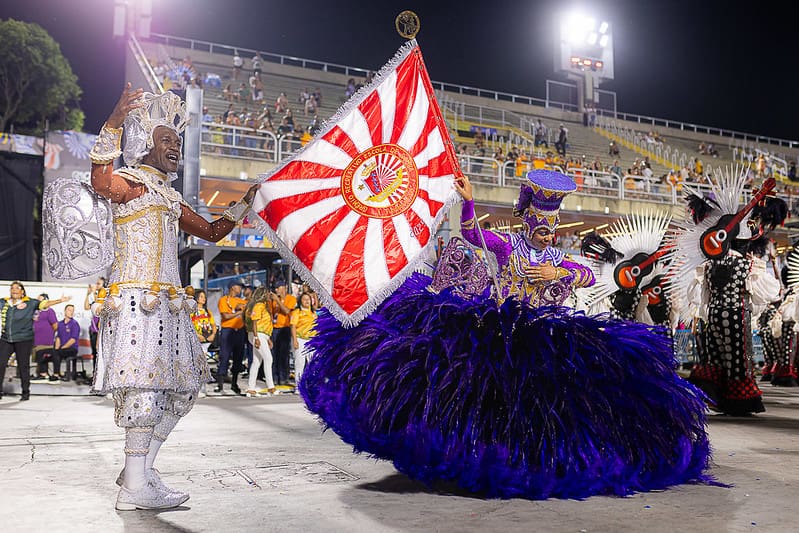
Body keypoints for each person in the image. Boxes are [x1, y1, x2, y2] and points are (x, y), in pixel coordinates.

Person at [299, 170, 711, 500]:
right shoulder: (508, 247)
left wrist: (559, 272)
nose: (547, 233)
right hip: (508, 336)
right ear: (529, 220)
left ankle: (539, 460)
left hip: (544, 337)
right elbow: (472, 235)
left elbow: (586, 274)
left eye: (552, 227)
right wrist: (469, 201)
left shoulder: (557, 257)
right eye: (542, 226)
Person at [80, 84, 259, 510]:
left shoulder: (169, 197)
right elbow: (99, 179)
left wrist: (242, 205)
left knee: (184, 390)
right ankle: (134, 489)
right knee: (144, 390)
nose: (175, 147)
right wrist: (114, 121)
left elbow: (213, 232)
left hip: (172, 306)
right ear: (145, 145)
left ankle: (138, 474)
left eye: (178, 142)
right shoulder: (130, 182)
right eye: (167, 141)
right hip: (137, 302)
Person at [0, 282, 70, 401]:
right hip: (6, 338)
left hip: (23, 339)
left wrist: (60, 300)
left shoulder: (30, 302)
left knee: (23, 366)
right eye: (12, 288)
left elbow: (45, 304)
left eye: (17, 288)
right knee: (1, 364)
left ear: (22, 291)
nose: (14, 290)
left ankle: (25, 392)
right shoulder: (4, 302)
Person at [217, 281, 248, 395]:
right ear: (232, 288)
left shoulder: (242, 301)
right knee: (224, 356)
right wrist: (238, 312)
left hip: (239, 331)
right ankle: (220, 384)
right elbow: (225, 316)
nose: (240, 289)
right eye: (238, 287)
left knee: (238, 357)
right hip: (227, 330)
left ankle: (234, 383)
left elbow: (247, 312)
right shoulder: (223, 300)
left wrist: (240, 311)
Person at [245, 287, 274, 397]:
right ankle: (270, 387)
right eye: (267, 293)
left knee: (257, 361)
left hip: (263, 335)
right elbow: (255, 322)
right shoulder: (258, 306)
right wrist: (256, 338)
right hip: (258, 334)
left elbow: (265, 323)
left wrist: (268, 338)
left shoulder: (263, 306)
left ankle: (251, 388)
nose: (269, 295)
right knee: (268, 359)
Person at [268, 280, 296, 386]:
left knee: (283, 354)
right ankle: (275, 377)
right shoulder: (273, 300)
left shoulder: (290, 298)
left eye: (278, 288)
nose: (276, 290)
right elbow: (271, 313)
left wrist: (278, 302)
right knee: (274, 354)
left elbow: (287, 311)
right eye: (275, 288)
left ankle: (284, 376)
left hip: (285, 328)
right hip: (274, 328)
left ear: (284, 288)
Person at [290, 291, 317, 386]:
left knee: (313, 364)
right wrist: (294, 340)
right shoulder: (296, 312)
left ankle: (312, 386)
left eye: (308, 299)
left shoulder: (313, 313)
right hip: (300, 339)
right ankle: (298, 386)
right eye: (304, 299)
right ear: (300, 301)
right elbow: (293, 326)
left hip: (312, 341)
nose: (307, 301)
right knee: (300, 363)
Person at [31, 293, 59, 381]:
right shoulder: (35, 311)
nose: (38, 302)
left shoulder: (49, 311)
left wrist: (48, 333)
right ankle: (41, 372)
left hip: (46, 340)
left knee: (42, 354)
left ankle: (44, 373)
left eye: (41, 300)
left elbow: (55, 325)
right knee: (37, 355)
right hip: (36, 339)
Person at [53, 304, 81, 381]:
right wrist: (56, 348)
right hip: (62, 348)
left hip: (72, 348)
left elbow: (73, 340)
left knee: (58, 353)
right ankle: (54, 373)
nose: (71, 312)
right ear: (65, 311)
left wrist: (62, 348)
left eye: (72, 311)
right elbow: (58, 337)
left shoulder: (74, 324)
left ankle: (56, 374)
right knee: (53, 352)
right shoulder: (60, 324)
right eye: (69, 310)